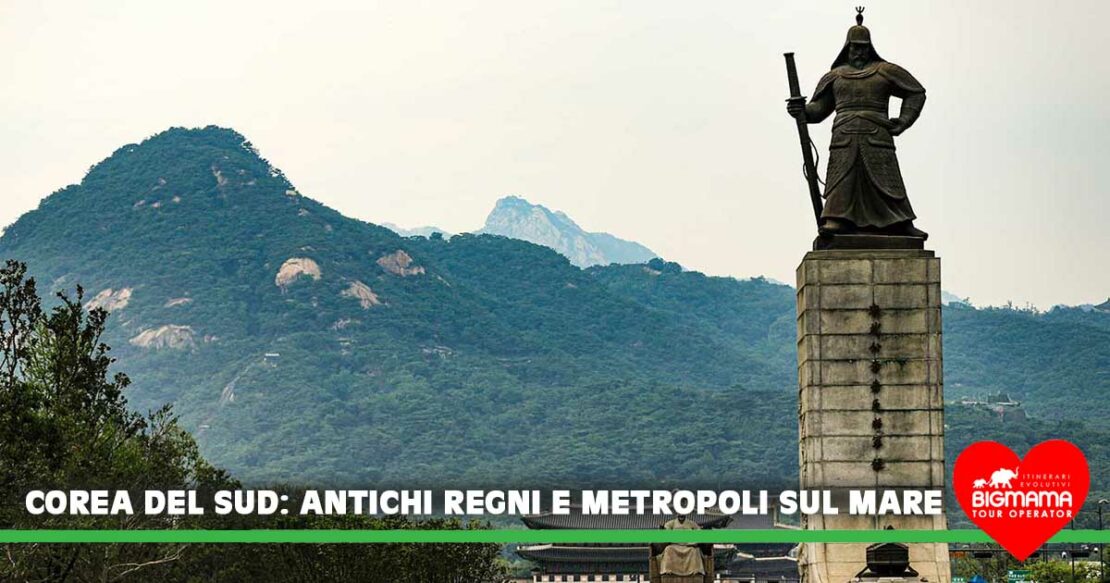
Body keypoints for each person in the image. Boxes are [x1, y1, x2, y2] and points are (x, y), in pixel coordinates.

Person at [786, 9, 928, 239]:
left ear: (870, 47)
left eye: (863, 47)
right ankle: (836, 219)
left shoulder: (885, 71)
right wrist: (800, 110)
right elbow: (818, 110)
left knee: (886, 182)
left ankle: (900, 223)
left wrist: (903, 122)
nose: (859, 52)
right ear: (847, 47)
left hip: (877, 135)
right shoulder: (835, 76)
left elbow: (916, 92)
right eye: (855, 47)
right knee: (842, 178)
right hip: (844, 136)